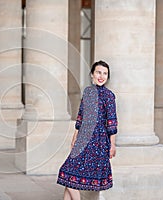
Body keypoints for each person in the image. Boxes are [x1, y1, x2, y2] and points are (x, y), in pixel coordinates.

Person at [57, 60, 118, 200]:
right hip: (82, 140)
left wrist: (112, 145)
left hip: (98, 143)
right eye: (98, 72)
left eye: (105, 73)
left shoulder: (109, 96)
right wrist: (74, 138)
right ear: (92, 74)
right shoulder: (88, 92)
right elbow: (81, 117)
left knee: (69, 178)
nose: (101, 76)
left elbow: (112, 122)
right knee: (68, 178)